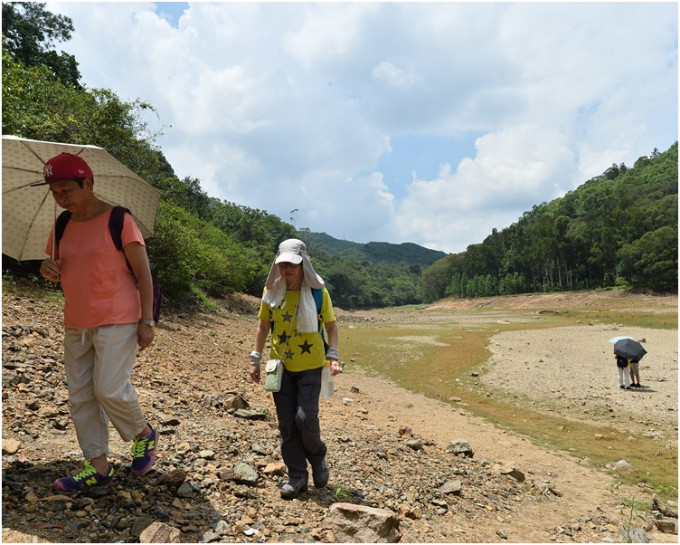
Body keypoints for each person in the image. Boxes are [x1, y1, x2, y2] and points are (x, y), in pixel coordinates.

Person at [38, 152, 157, 494]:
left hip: (118, 318)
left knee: (108, 388)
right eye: (55, 192)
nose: (61, 198)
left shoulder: (119, 220)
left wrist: (146, 321)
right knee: (81, 396)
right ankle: (98, 467)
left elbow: (143, 274)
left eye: (66, 190)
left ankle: (142, 434)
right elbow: (58, 266)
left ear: (87, 183)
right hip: (76, 320)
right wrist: (46, 270)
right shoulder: (62, 223)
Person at [249, 239, 341, 499]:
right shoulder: (271, 292)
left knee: (305, 418)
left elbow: (332, 327)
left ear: (304, 265)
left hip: (312, 367)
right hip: (280, 367)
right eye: (283, 264)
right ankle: (297, 475)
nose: (287, 268)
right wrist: (255, 359)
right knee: (287, 424)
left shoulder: (317, 293)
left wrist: (333, 357)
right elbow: (263, 327)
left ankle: (318, 457)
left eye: (293, 264)